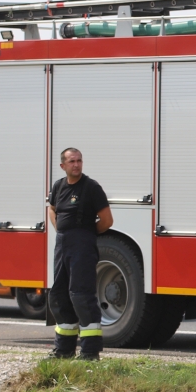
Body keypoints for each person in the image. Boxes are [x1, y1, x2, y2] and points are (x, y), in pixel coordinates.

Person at [47, 148, 113, 360]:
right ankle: (64, 350)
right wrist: (60, 229)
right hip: (62, 244)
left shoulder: (91, 187)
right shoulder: (58, 186)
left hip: (82, 245)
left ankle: (89, 352)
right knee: (59, 295)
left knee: (81, 295)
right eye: (72, 161)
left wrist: (85, 234)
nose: (76, 165)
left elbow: (107, 220)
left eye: (79, 161)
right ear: (63, 166)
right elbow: (52, 207)